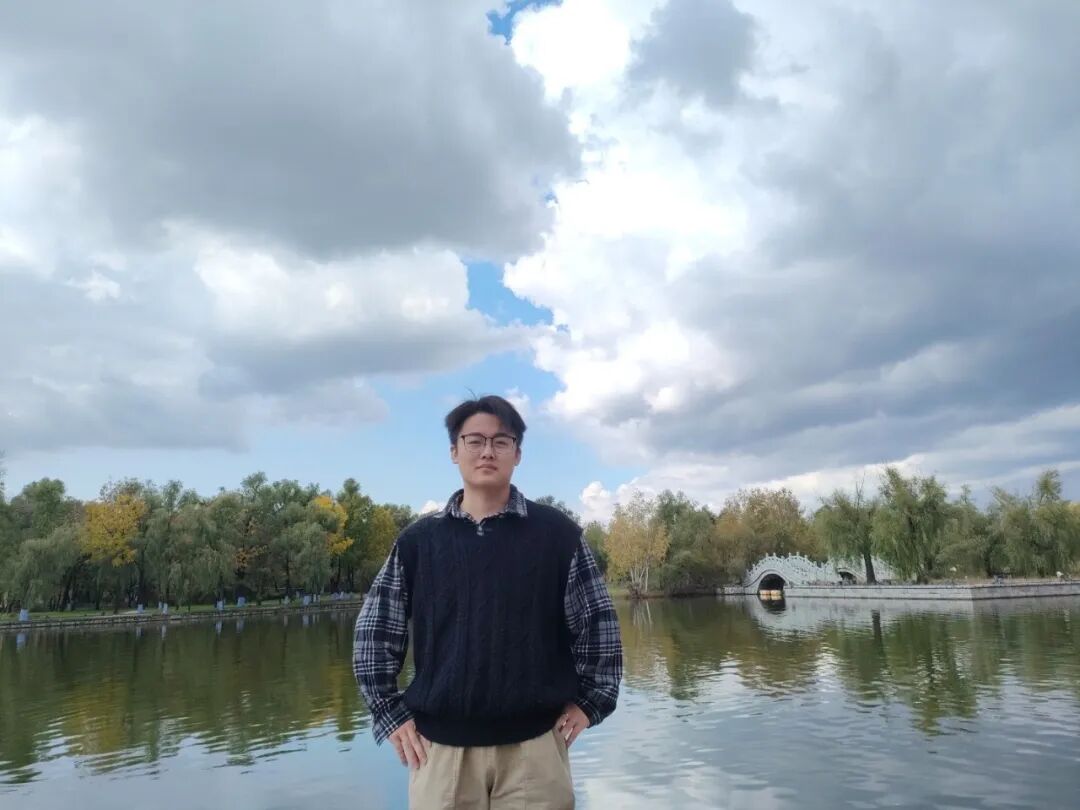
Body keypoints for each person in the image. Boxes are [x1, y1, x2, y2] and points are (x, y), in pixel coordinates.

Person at [353, 394, 622, 809]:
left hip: (536, 750)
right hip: (439, 753)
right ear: (454, 451)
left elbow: (598, 625)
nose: (487, 451)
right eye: (475, 440)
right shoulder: (418, 542)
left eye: (501, 441)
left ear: (517, 453)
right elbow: (374, 634)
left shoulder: (557, 535)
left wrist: (591, 702)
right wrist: (388, 713)